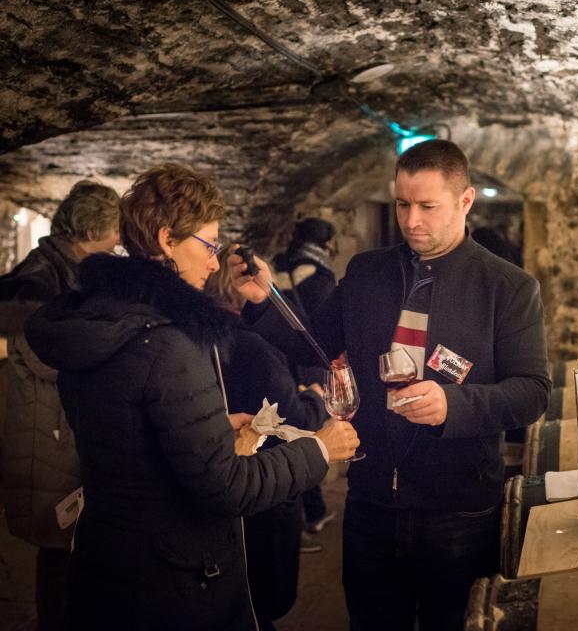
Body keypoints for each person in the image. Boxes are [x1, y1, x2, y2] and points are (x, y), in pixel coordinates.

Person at [229, 140, 551, 630]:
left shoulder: (507, 286)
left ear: (465, 201)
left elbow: (532, 390)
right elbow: (312, 345)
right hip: (371, 499)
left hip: (458, 508)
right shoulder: (366, 272)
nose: (411, 220)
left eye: (427, 206)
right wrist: (262, 301)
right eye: (403, 204)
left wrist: (455, 405)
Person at [23, 163, 359, 631]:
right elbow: (228, 488)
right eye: (209, 245)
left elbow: (128, 433)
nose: (214, 262)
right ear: (166, 240)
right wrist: (320, 448)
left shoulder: (99, 319)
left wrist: (211, 429)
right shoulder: (171, 342)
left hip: (106, 560)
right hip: (172, 582)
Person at [0, 180, 120, 631]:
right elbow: (42, 354)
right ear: (90, 232)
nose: (117, 244)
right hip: (48, 433)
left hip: (58, 426)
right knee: (59, 553)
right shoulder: (41, 280)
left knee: (67, 552)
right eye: (114, 234)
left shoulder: (59, 269)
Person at [206, 247, 327, 630]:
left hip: (222, 492)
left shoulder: (199, 335)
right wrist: (316, 397)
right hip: (262, 490)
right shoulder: (251, 346)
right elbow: (294, 419)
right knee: (258, 607)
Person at [273, 217, 338, 535]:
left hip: (277, 359)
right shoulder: (319, 276)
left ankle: (307, 511)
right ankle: (311, 512)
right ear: (325, 242)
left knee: (290, 433)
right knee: (308, 431)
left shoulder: (279, 265)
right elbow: (325, 330)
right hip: (306, 363)